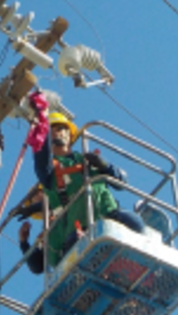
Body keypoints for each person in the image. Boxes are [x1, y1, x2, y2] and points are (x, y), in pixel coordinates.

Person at [18, 112, 144, 270]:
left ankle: (127, 266)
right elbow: (37, 266)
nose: (57, 132)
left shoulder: (87, 159)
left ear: (70, 134)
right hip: (79, 228)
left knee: (137, 225)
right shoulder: (49, 173)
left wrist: (105, 166)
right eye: (52, 129)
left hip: (109, 215)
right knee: (82, 254)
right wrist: (40, 125)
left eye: (62, 128)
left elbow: (122, 183)